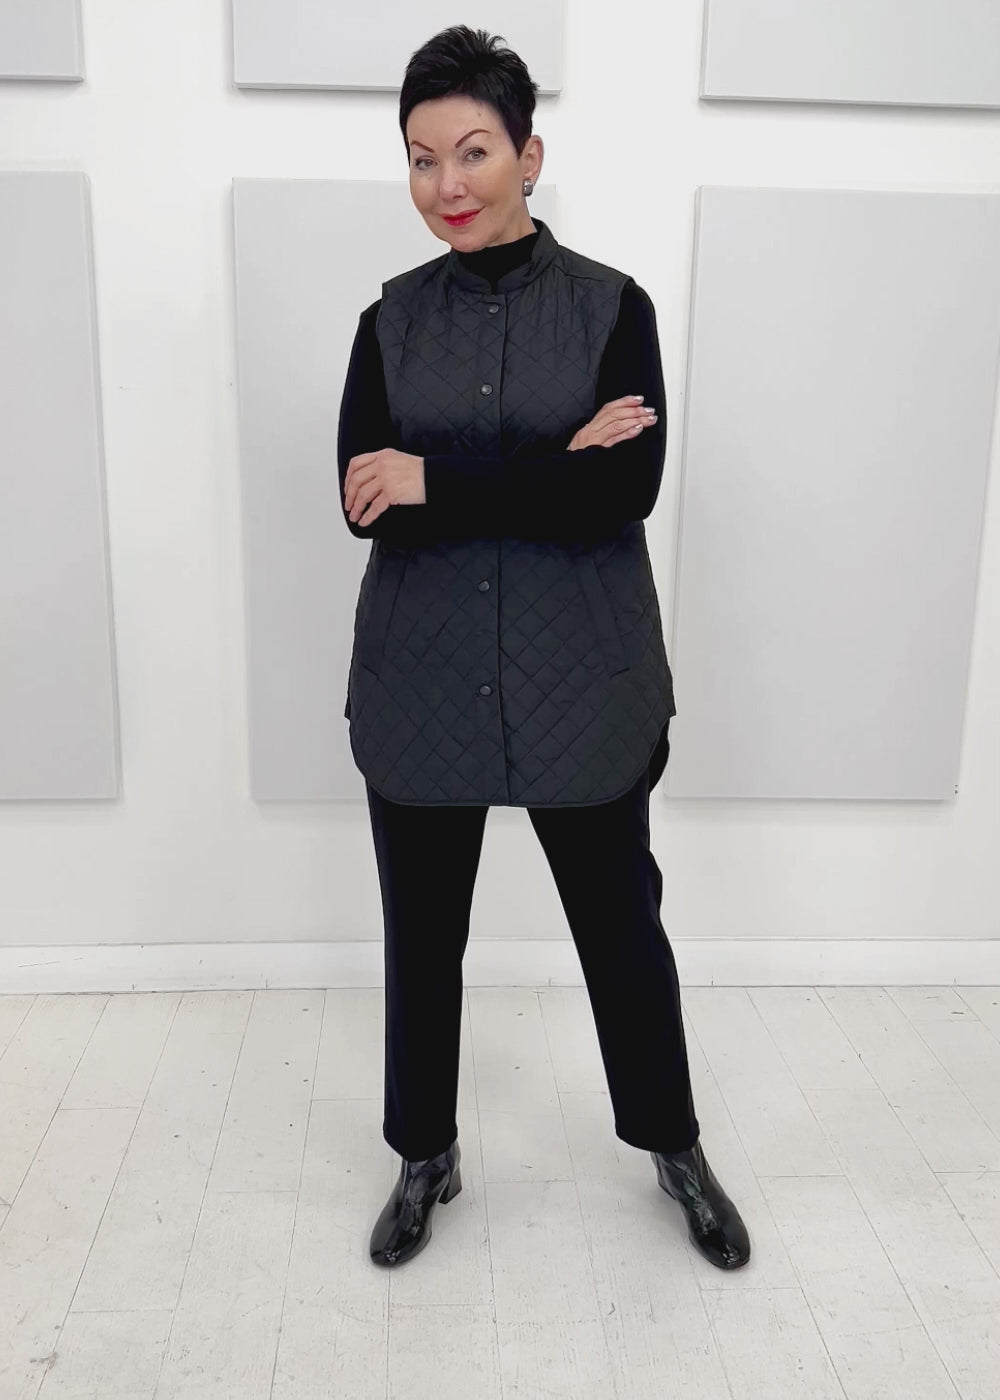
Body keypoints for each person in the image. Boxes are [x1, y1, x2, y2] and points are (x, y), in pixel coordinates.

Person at [337, 25, 750, 1272]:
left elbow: (621, 491)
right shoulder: (386, 321)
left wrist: (438, 475)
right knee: (422, 936)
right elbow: (361, 500)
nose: (446, 185)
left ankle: (673, 1142)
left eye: (471, 152)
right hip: (420, 675)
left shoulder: (614, 309)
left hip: (586, 677)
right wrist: (545, 464)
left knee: (621, 927)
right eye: (421, 159)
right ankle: (424, 1151)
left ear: (528, 154)